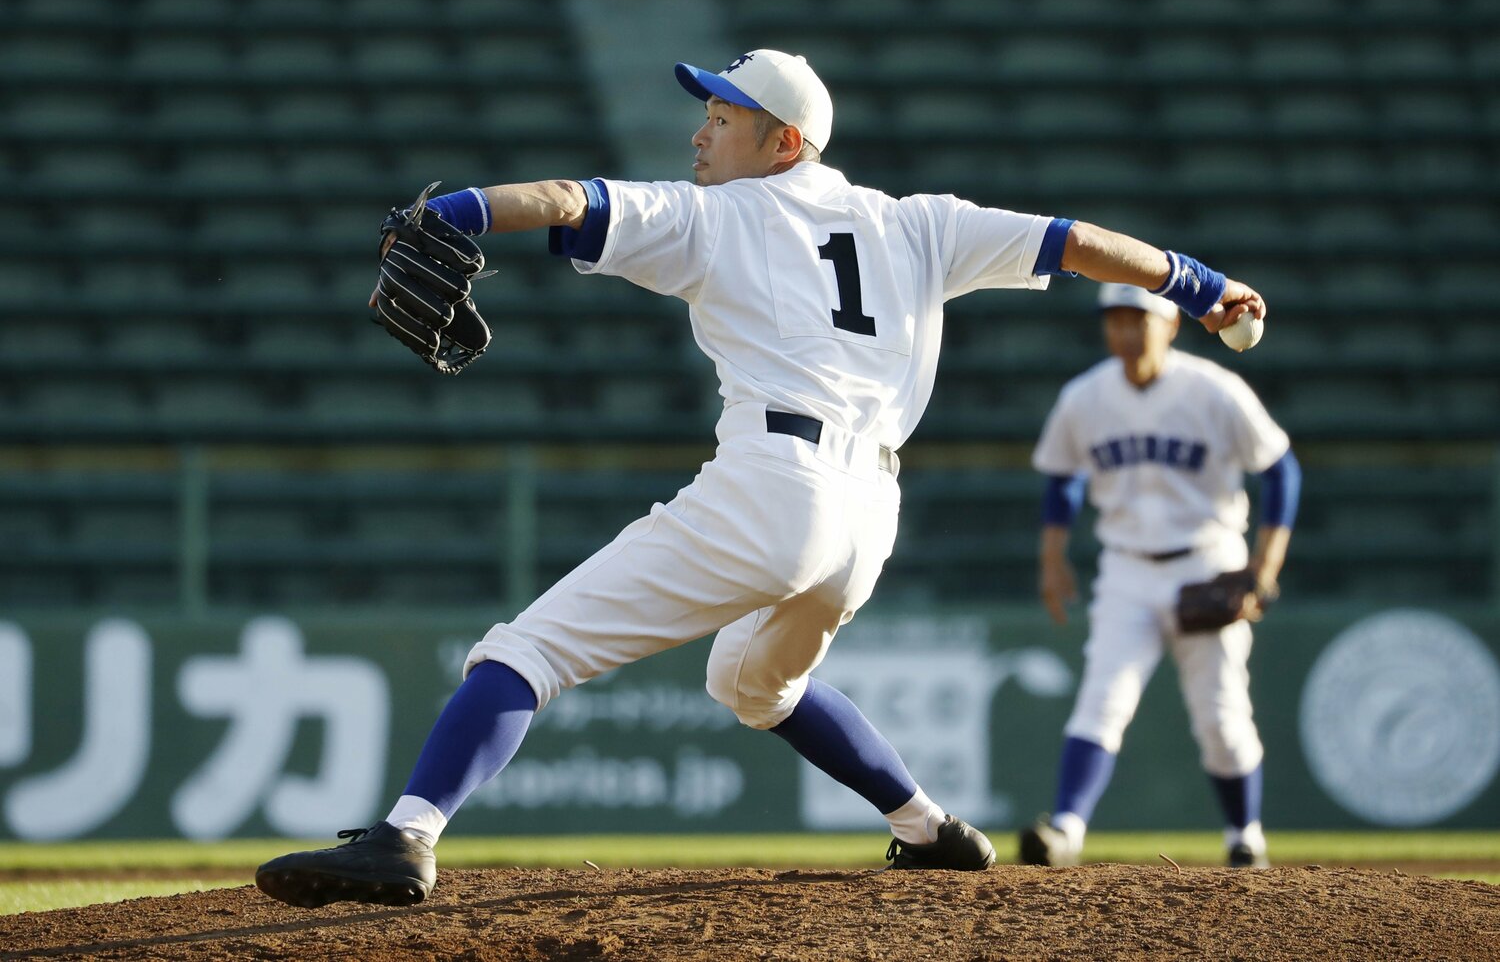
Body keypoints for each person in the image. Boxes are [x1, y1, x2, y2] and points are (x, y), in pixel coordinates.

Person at [255, 49, 1267, 908]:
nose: (701, 136)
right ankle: (927, 829)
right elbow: (1077, 244)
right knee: (752, 681)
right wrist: (1204, 286)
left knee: (527, 648)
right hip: (870, 515)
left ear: (784, 141)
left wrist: (458, 210)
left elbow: (570, 200)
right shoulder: (919, 222)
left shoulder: (719, 219)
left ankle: (406, 835)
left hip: (775, 484)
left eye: (723, 116)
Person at [1018, 283, 1299, 870]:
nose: (1125, 331)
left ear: (1170, 324)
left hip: (1207, 561)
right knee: (1102, 699)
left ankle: (1244, 836)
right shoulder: (1085, 396)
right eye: (1115, 319)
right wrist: (1052, 557)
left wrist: (1264, 564)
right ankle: (1065, 829)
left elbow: (1280, 468)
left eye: (1137, 319)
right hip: (1126, 568)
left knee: (1220, 715)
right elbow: (1063, 478)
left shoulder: (1214, 390)